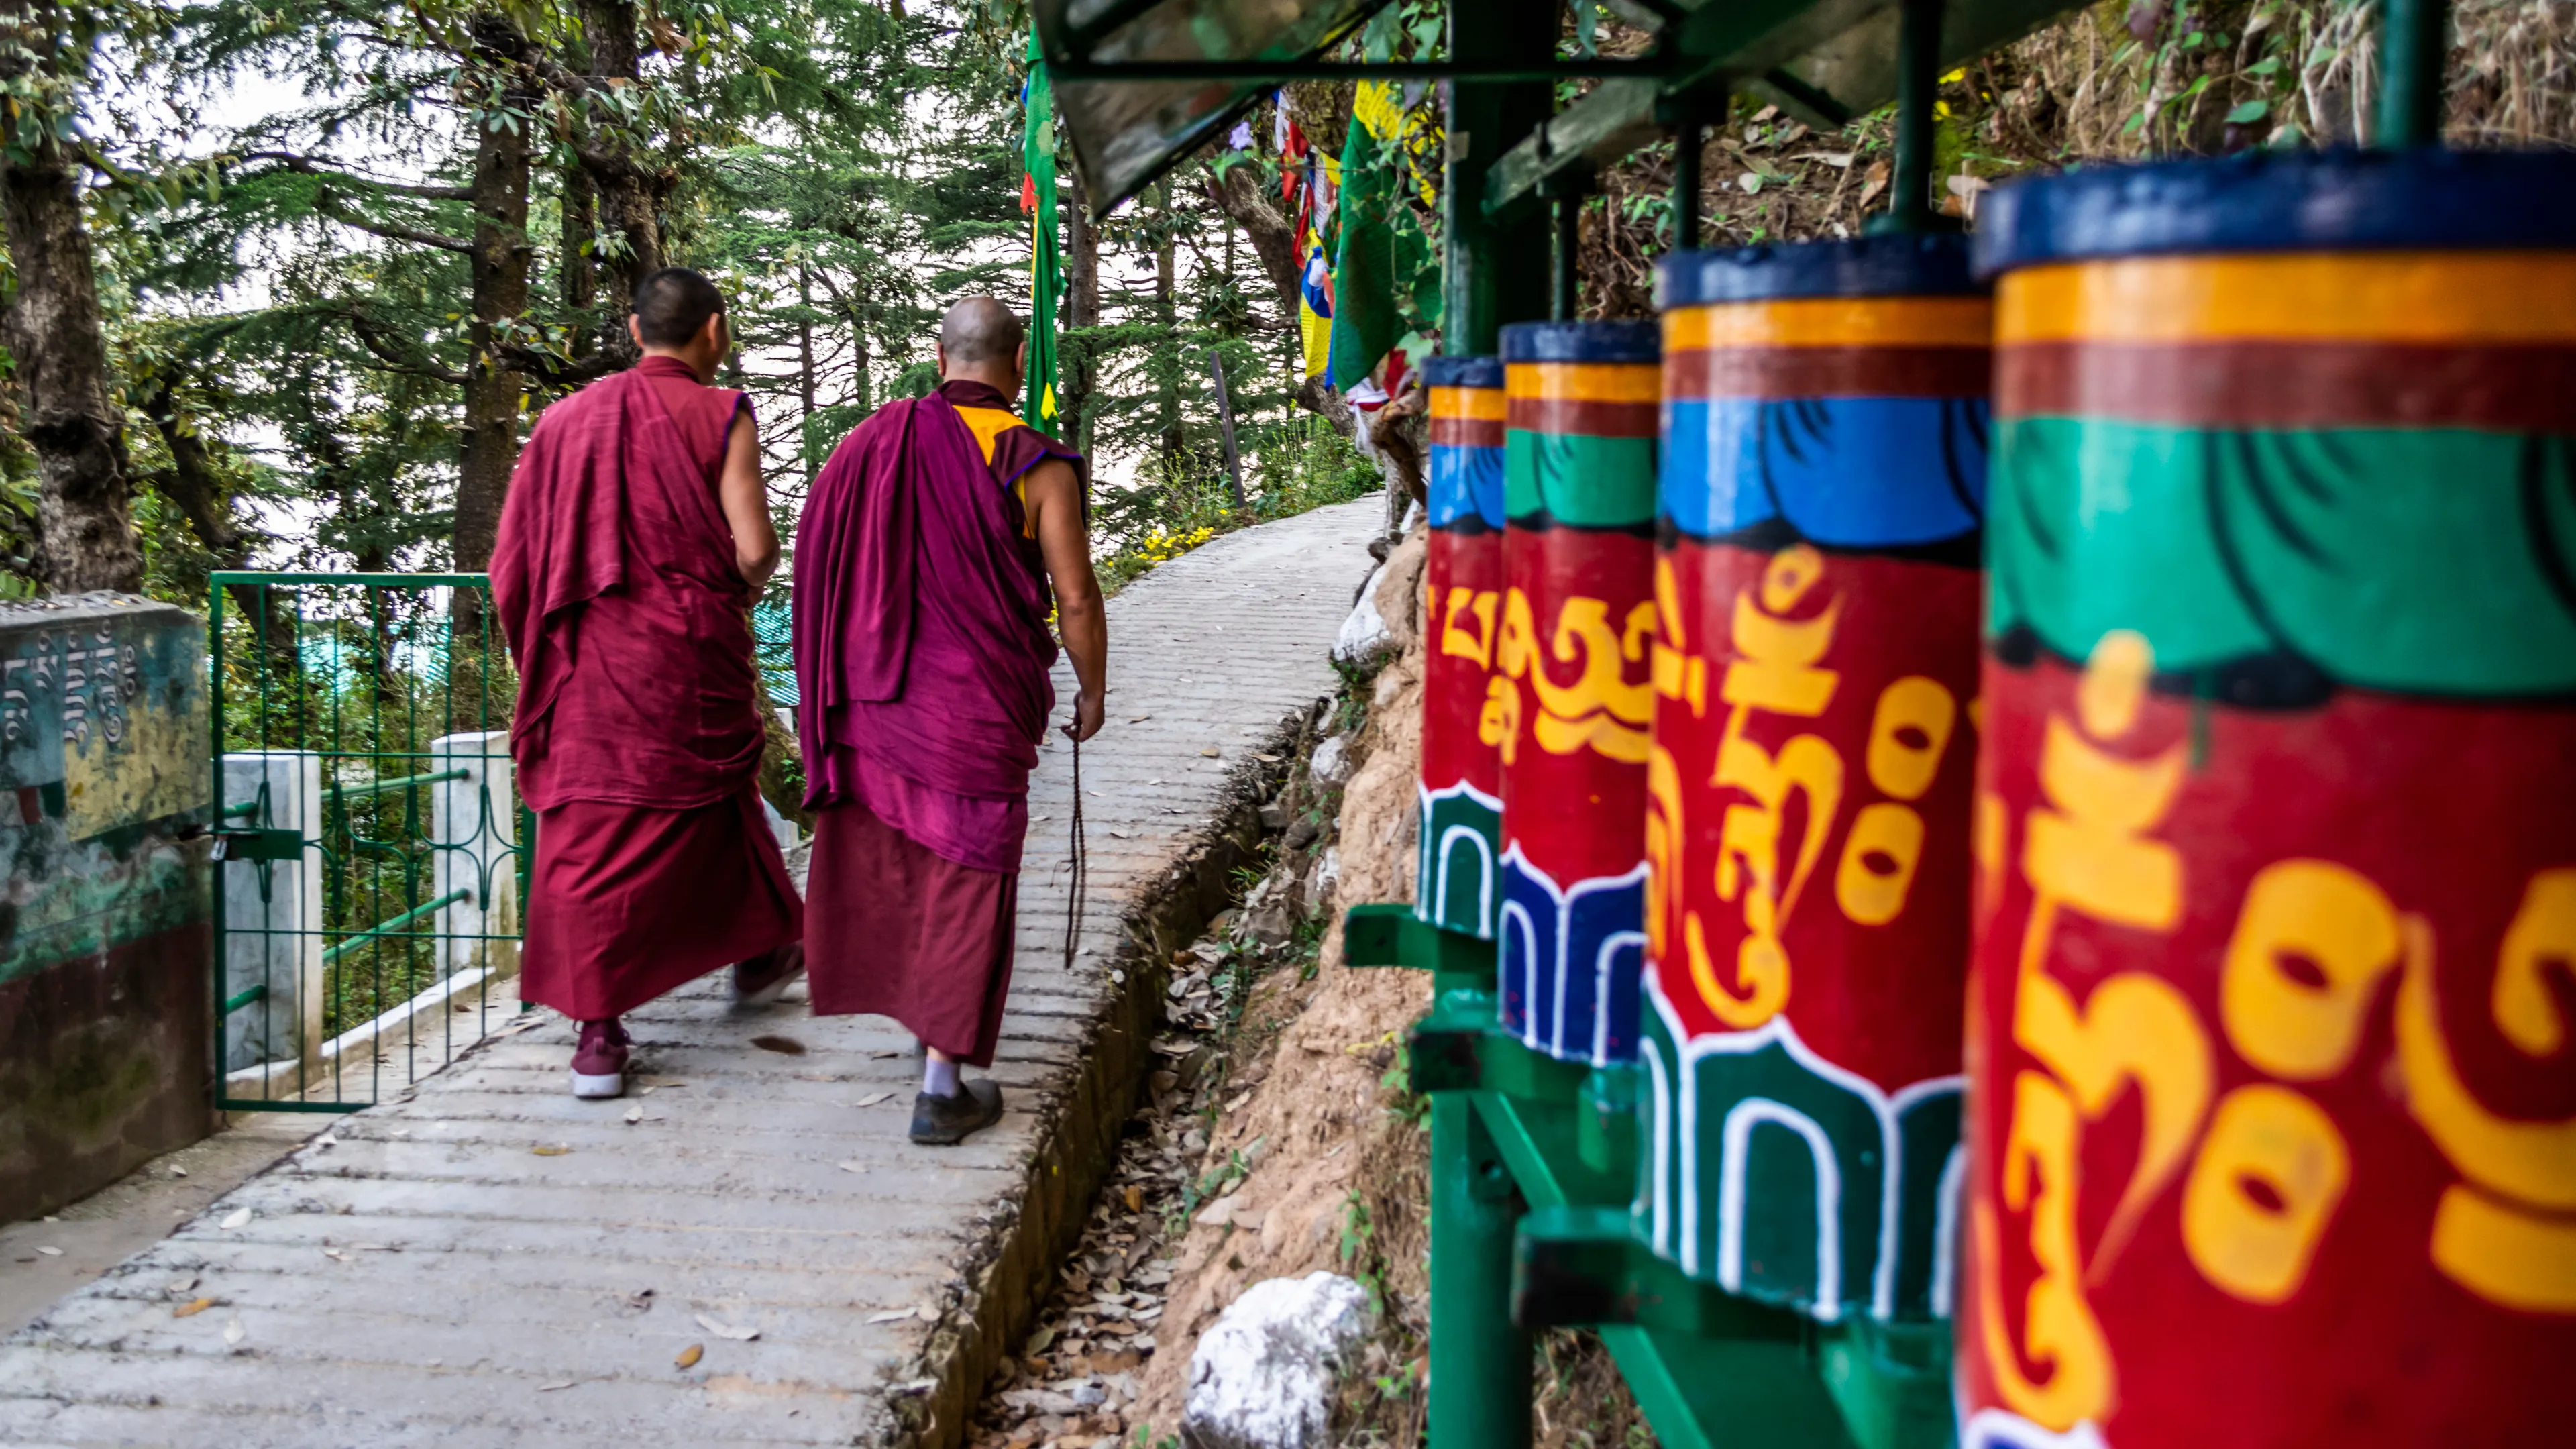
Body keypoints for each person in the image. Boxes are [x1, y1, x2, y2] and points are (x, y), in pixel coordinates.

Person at [793, 297, 1107, 1146]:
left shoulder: (868, 445)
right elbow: (1074, 597)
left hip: (875, 694)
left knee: (901, 853)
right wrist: (1093, 690)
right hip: (974, 703)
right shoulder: (1033, 462)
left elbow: (816, 556)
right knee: (969, 867)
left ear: (941, 357)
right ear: (1017, 367)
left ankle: (922, 1029)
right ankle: (941, 1087)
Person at [492, 266, 805, 1100]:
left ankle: (600, 1036)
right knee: (711, 798)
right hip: (686, 655)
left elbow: (512, 565)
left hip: (591, 664)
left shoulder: (561, 424)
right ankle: (760, 952)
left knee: (592, 829)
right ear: (716, 333)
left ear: (635, 333)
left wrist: (546, 645)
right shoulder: (723, 412)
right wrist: (740, 592)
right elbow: (752, 549)